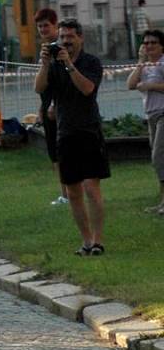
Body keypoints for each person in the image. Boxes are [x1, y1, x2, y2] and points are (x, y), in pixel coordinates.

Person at [35, 18, 110, 256]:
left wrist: (69, 65)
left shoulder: (91, 62)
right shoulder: (54, 64)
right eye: (62, 37)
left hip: (88, 129)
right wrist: (45, 64)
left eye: (70, 37)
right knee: (73, 191)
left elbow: (87, 89)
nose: (66, 41)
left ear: (80, 38)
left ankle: (98, 240)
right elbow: (39, 88)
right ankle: (86, 241)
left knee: (91, 188)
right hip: (65, 131)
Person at [33, 9, 69, 207]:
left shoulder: (60, 47)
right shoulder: (46, 47)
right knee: (53, 152)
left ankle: (69, 192)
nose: (43, 29)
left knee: (61, 151)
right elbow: (43, 82)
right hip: (47, 104)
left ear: (55, 25)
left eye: (46, 25)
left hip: (59, 106)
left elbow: (61, 80)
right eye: (40, 26)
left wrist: (54, 103)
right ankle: (63, 192)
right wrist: (42, 106)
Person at [127, 29, 164, 215]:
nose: (149, 46)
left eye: (153, 43)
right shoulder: (146, 65)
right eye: (146, 43)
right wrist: (141, 62)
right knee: (159, 159)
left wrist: (151, 86)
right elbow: (131, 84)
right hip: (151, 115)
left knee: (158, 158)